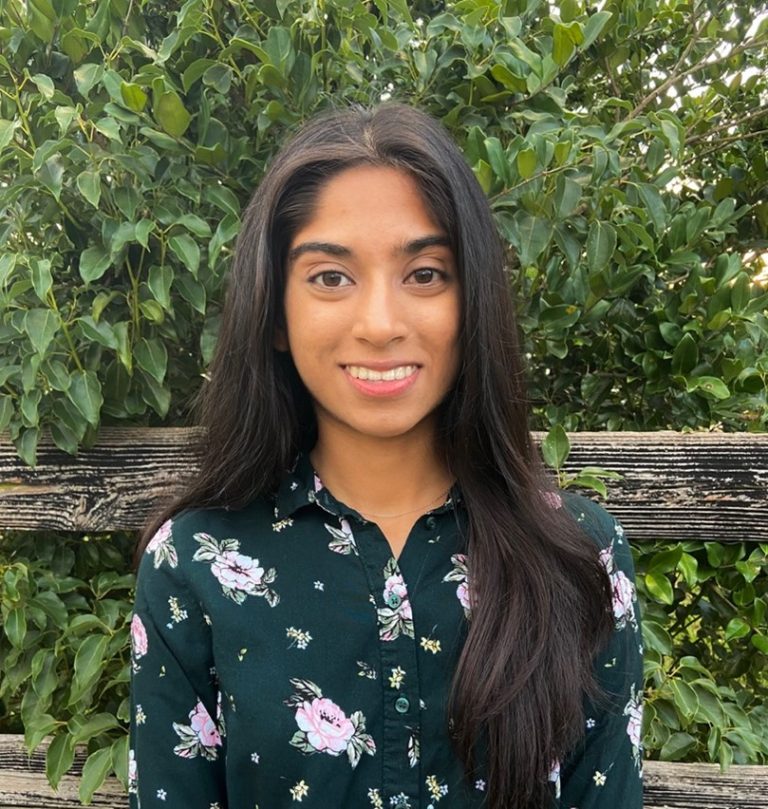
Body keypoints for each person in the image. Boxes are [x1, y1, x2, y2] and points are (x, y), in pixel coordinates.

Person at [128, 103, 643, 809]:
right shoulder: (194, 564)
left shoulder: (582, 558)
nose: (379, 324)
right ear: (275, 313)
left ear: (474, 300)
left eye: (426, 273)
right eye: (330, 277)